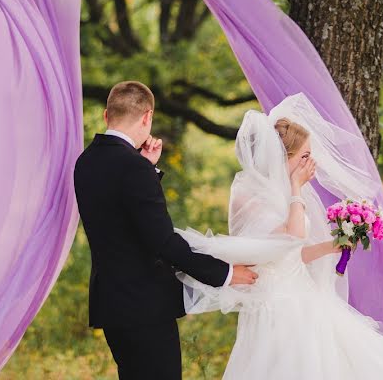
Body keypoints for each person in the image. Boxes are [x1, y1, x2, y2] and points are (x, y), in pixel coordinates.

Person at [173, 92, 383, 378]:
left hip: (303, 297)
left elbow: (291, 254)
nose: (311, 164)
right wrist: (296, 188)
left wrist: (330, 246)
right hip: (277, 306)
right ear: (283, 157)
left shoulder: (286, 192)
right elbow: (292, 239)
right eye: (305, 156)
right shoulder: (252, 196)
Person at [73, 80, 258, 380]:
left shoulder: (86, 161)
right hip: (145, 309)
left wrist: (149, 169)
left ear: (107, 115)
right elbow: (162, 241)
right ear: (147, 117)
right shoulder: (133, 167)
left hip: (112, 306)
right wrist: (223, 273)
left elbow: (124, 217)